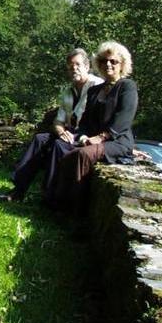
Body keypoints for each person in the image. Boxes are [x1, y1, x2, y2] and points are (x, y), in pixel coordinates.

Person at [0, 48, 102, 202]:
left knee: (58, 145)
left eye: (77, 65)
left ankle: (49, 196)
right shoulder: (67, 91)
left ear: (87, 66)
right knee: (40, 139)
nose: (74, 68)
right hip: (68, 132)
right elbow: (58, 121)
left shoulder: (97, 86)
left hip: (85, 134)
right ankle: (18, 190)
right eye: (70, 66)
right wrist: (61, 132)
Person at [50, 41, 138, 212]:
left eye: (113, 61)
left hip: (117, 142)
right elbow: (85, 122)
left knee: (82, 155)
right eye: (104, 61)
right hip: (93, 140)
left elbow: (124, 119)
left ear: (122, 65)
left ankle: (76, 212)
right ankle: (53, 200)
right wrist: (83, 136)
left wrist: (101, 137)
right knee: (61, 147)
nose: (108, 64)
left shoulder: (127, 86)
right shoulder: (94, 91)